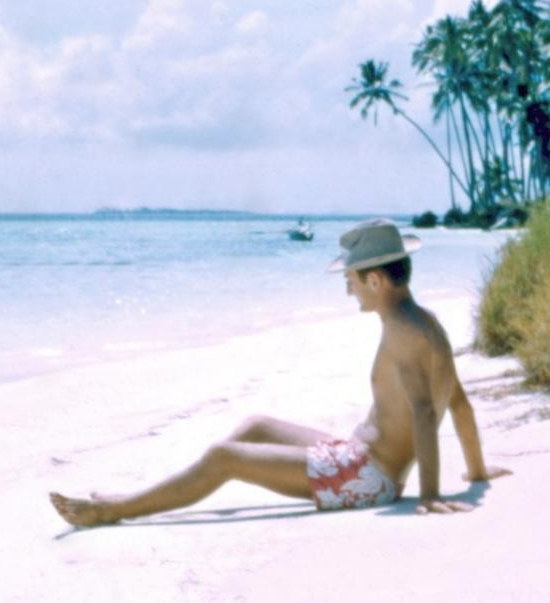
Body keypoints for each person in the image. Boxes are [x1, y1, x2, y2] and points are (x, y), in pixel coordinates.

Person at [48, 219, 510, 526]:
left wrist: (429, 495)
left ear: (375, 279)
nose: (349, 292)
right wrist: (475, 471)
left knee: (224, 457)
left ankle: (117, 510)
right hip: (356, 458)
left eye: (350, 282)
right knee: (257, 426)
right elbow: (459, 402)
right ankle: (177, 489)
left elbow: (427, 411)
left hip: (367, 478)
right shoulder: (425, 322)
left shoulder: (402, 332)